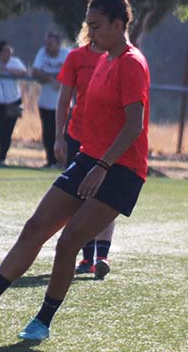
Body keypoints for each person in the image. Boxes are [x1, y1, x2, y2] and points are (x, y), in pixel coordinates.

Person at [0, 0, 150, 340]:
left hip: (121, 170)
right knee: (35, 228)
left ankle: (42, 320)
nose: (90, 33)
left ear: (120, 23)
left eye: (97, 26)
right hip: (91, 158)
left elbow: (133, 126)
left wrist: (102, 166)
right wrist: (74, 147)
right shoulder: (103, 58)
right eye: (87, 26)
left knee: (69, 241)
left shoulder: (132, 63)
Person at [55, 23, 115, 279]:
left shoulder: (118, 60)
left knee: (107, 199)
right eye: (92, 25)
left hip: (109, 141)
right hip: (78, 137)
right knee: (78, 197)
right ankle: (87, 257)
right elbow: (64, 99)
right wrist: (59, 136)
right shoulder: (76, 58)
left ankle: (101, 256)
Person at [32, 31, 69, 168]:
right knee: (48, 134)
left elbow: (69, 73)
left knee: (64, 134)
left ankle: (64, 161)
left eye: (50, 43)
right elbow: (35, 72)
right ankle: (51, 161)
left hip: (63, 104)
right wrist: (51, 78)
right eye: (46, 43)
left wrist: (57, 77)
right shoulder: (42, 53)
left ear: (58, 44)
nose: (47, 46)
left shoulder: (66, 54)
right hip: (45, 103)